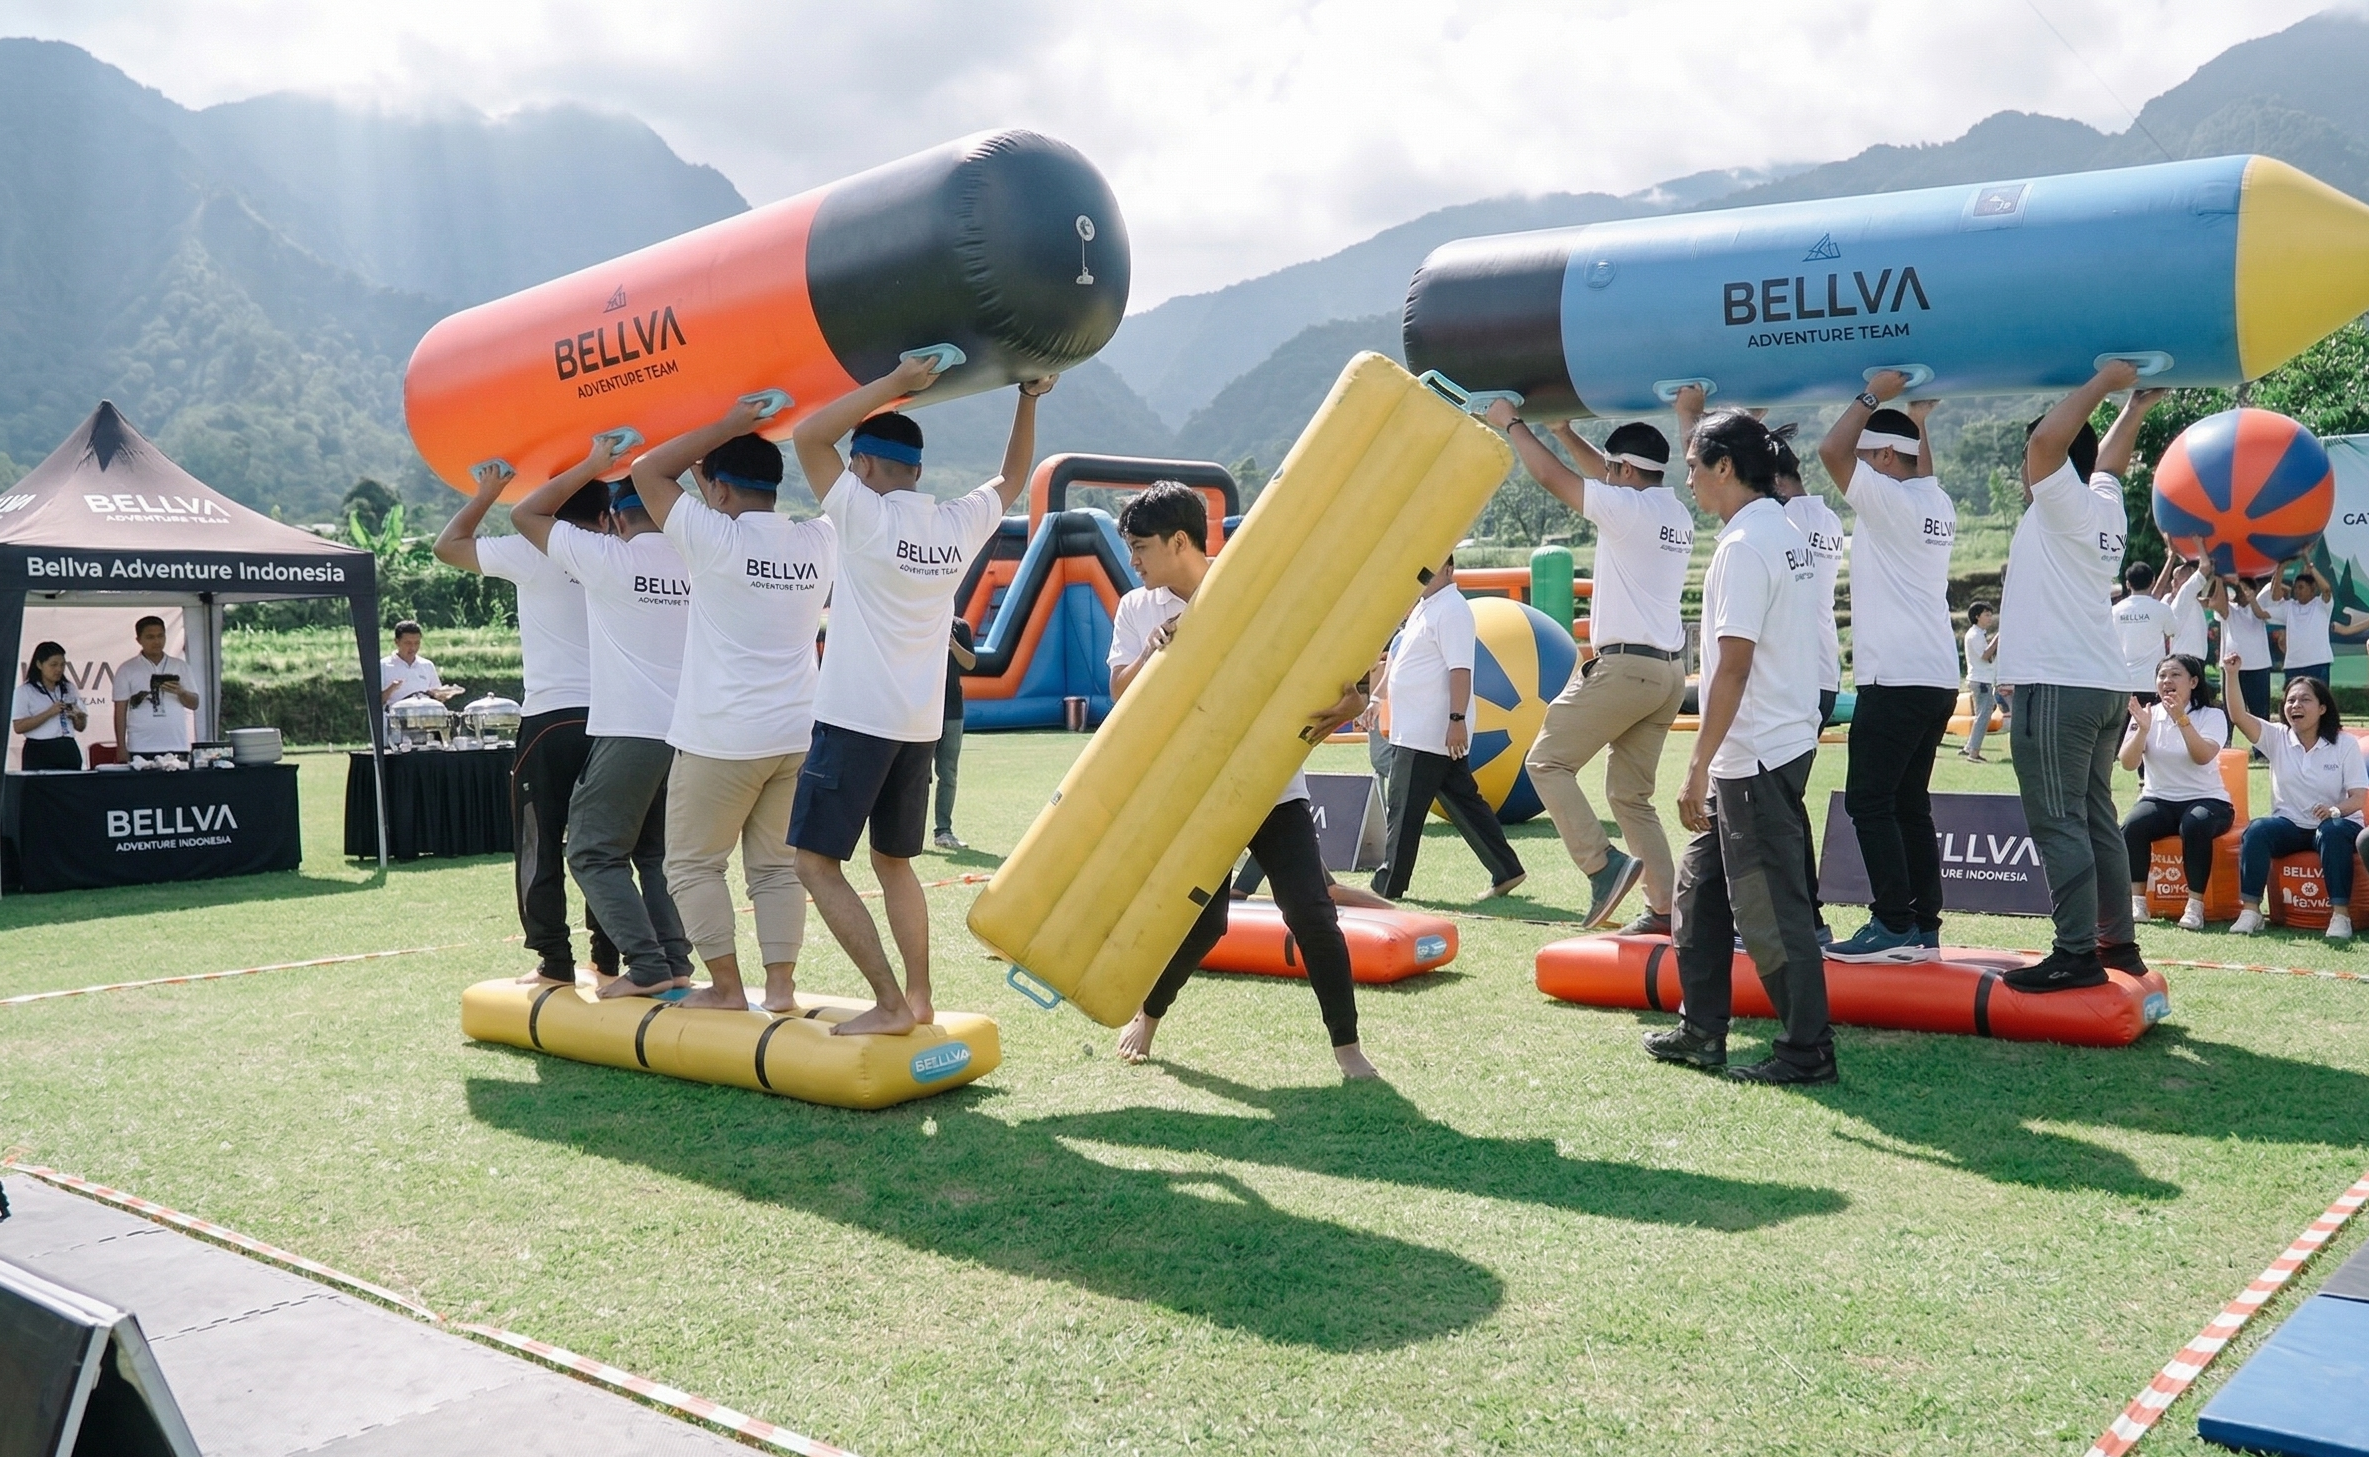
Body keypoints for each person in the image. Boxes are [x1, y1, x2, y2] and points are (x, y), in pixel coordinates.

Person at [788, 354, 1056, 1036]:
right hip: (916, 723)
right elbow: (1014, 478)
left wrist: (895, 384)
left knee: (814, 863)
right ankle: (919, 996)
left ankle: (886, 1003)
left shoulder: (862, 516)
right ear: (917, 470)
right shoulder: (952, 525)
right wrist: (1027, 399)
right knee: (894, 861)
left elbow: (808, 437)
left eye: (854, 463)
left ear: (867, 467)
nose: (845, 472)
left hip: (853, 718)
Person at [1102, 481, 1378, 1079]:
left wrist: (1355, 696)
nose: (1134, 561)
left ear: (1180, 541)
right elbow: (1121, 696)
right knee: (1204, 918)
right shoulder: (1138, 608)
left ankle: (1348, 1048)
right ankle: (1148, 1016)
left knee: (1310, 909)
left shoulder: (1254, 584)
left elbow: (1344, 658)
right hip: (1193, 787)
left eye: (1141, 547)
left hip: (1271, 780)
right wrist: (1156, 651)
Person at [616, 397, 839, 1012]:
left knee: (690, 866)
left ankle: (727, 990)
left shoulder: (710, 538)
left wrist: (733, 420)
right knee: (774, 869)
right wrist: (733, 446)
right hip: (797, 733)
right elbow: (700, 487)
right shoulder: (819, 538)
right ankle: (782, 991)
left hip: (721, 738)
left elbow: (645, 473)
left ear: (715, 491)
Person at [1643, 410, 1829, 1084]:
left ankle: (1807, 1049)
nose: (1686, 477)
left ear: (1724, 467)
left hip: (1753, 754)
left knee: (1770, 910)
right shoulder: (1779, 529)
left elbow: (1732, 664)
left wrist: (1696, 766)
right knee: (1698, 891)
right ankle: (1701, 1031)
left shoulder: (1745, 545)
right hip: (1767, 744)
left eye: (1692, 464)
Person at [1486, 394, 1692, 932]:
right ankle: (1665, 910)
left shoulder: (1623, 509)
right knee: (1630, 795)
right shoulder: (1672, 509)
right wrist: (1562, 430)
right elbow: (1603, 474)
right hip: (1669, 672)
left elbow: (1557, 480)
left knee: (1547, 762)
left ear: (1623, 470)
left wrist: (1513, 425)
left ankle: (1603, 868)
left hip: (1626, 668)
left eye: (1612, 469)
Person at [1996, 361, 2166, 992]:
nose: (2026, 464)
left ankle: (2074, 953)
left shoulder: (2062, 498)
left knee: (2059, 820)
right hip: (2100, 684)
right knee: (2095, 817)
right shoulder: (2101, 503)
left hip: (2057, 684)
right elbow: (2112, 467)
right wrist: (2135, 409)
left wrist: (2104, 385)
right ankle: (2116, 945)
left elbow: (2047, 444)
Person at [511, 442, 695, 999]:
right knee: (652, 854)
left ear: (615, 519)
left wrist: (591, 460)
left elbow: (526, 516)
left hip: (629, 729)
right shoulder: (699, 558)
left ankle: (646, 965)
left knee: (591, 850)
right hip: (686, 732)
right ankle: (674, 960)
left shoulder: (609, 559)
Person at [434, 458, 621, 984]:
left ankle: (553, 962)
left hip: (550, 719)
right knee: (608, 843)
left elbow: (448, 546)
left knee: (539, 841)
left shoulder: (533, 548)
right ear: (607, 517)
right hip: (614, 719)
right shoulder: (619, 553)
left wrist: (489, 492)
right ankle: (608, 958)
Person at [1817, 374, 1958, 964]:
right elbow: (1918, 467)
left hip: (1894, 678)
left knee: (1870, 804)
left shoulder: (1887, 497)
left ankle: (1893, 923)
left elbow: (1830, 450)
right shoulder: (1935, 500)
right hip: (1938, 676)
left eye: (1868, 457)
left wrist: (1873, 393)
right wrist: (1918, 420)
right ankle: (1923, 926)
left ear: (1877, 457)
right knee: (1910, 804)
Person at [1367, 551, 1526, 902]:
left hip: (1429, 729)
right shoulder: (1425, 607)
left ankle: (1388, 885)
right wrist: (1378, 698)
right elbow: (1398, 659)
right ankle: (1507, 868)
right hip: (1421, 727)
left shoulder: (1452, 610)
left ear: (1450, 569)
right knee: (1462, 800)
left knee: (1404, 806)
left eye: (1432, 566)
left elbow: (1460, 670)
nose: (1422, 573)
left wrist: (1456, 720)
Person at [2224, 667, 2365, 940]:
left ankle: (2340, 916)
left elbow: (2358, 798)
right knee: (2257, 830)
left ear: (2322, 708)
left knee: (2332, 832)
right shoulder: (2277, 737)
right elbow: (2239, 716)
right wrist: (2231, 673)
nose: (2295, 706)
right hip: (2290, 825)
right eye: (2290, 700)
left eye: (2304, 700)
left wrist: (2335, 810)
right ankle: (2251, 911)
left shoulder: (2344, 743)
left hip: (2338, 822)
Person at [2117, 655, 2231, 933]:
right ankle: (2137, 902)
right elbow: (2128, 763)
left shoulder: (2211, 715)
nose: (2167, 681)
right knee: (2132, 826)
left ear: (2193, 681)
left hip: (2208, 799)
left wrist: (2181, 719)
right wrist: (2142, 729)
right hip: (2159, 799)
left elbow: (2203, 756)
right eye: (2162, 676)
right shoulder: (2147, 714)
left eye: (2175, 675)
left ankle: (2195, 906)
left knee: (2195, 825)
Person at [113, 616, 197, 758]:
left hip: (176, 744)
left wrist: (181, 692)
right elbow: (120, 711)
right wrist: (121, 746)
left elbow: (195, 704)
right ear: (139, 640)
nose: (156, 641)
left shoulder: (180, 666)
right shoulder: (127, 669)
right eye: (150, 637)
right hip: (140, 745)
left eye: (160, 636)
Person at [2209, 575, 2275, 725]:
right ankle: (2226, 746)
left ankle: (2262, 749)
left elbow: (2274, 586)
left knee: (2260, 715)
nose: (2243, 593)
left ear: (2254, 590)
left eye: (2246, 589)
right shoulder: (2229, 609)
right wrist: (2220, 579)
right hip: (2232, 670)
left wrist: (2252, 599)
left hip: (2258, 668)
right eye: (2240, 589)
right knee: (2229, 714)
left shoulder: (2261, 608)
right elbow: (2215, 603)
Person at [13, 642, 87, 771]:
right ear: (39, 664)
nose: (59, 669)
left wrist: (78, 716)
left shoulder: (69, 688)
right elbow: (18, 727)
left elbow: (81, 727)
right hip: (40, 750)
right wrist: (49, 713)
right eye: (53, 665)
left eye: (62, 665)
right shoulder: (25, 691)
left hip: (68, 748)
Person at [934, 620, 975, 851]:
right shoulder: (921, 617)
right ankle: (909, 835)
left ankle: (943, 831)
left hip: (952, 712)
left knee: (948, 774)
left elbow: (970, 663)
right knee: (916, 778)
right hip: (921, 711)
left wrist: (952, 644)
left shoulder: (960, 627)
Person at [2111, 562, 2175, 706]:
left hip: (2121, 682)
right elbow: (2172, 631)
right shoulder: (2162, 609)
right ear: (2152, 581)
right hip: (2151, 683)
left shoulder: (2115, 611)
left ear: (2127, 584)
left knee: (2123, 728)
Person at [2267, 561, 2335, 688]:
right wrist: (2280, 569)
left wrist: (2310, 566)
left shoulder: (2321, 605)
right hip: (2293, 665)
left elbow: (2326, 589)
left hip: (2318, 663)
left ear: (2313, 588)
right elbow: (2275, 597)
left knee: (2319, 701)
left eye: (2301, 587)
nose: (2297, 591)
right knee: (2294, 702)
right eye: (2295, 588)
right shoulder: (2290, 607)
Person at [380, 621, 458, 705]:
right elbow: (373, 702)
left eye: (417, 643)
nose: (413, 648)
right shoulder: (383, 666)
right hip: (393, 716)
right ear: (397, 642)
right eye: (408, 643)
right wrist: (391, 688)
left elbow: (437, 700)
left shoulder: (427, 665)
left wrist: (441, 695)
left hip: (423, 717)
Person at [1961, 602, 2001, 763]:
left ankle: (1969, 747)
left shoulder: (1979, 634)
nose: (1990, 618)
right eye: (1986, 614)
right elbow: (1985, 656)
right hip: (1981, 681)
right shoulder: (1975, 635)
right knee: (1983, 717)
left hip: (1982, 680)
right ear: (1977, 616)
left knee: (1984, 712)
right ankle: (1974, 753)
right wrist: (1998, 638)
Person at [2162, 558, 2212, 663]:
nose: (2174, 581)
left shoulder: (2189, 601)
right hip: (2186, 659)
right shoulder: (2184, 596)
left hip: (2188, 659)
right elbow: (2205, 567)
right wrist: (2198, 542)